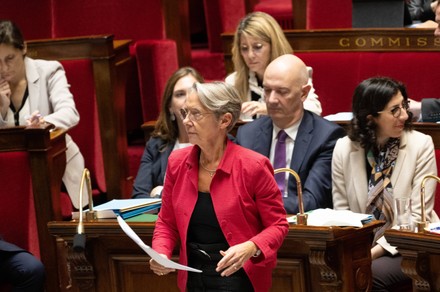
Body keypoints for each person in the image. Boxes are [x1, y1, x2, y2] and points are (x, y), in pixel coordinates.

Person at [149, 82, 289, 292]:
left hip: (239, 277)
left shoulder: (253, 166)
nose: (186, 121)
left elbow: (278, 225)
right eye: (185, 112)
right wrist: (160, 252)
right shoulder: (177, 162)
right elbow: (167, 222)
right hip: (192, 275)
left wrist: (251, 246)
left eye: (196, 114)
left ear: (224, 120)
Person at [332, 76, 439, 291]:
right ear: (371, 118)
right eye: (394, 110)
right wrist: (356, 253)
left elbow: (417, 216)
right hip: (360, 246)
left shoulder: (420, 145)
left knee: (367, 275)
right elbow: (341, 212)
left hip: (410, 245)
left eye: (404, 106)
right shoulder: (344, 148)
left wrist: (369, 255)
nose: (405, 115)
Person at [235, 54, 345, 215]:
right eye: (267, 90)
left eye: (282, 92)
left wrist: (257, 201)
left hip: (303, 233)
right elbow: (235, 193)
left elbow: (311, 201)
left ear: (304, 93)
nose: (271, 100)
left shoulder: (326, 137)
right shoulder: (247, 135)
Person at [0, 20, 87, 208]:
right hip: (13, 177)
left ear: (23, 48)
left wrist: (42, 124)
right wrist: (2, 109)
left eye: (9, 58)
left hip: (57, 168)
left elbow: (70, 113)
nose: (4, 69)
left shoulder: (49, 71)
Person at [225, 11, 322, 120]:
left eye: (257, 47)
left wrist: (270, 109)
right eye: (244, 48)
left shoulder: (294, 74)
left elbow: (314, 111)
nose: (250, 55)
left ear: (273, 46)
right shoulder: (233, 81)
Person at [131, 67, 204, 198]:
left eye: (194, 91)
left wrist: (161, 193)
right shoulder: (156, 145)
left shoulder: (221, 142)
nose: (187, 100)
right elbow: (139, 196)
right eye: (180, 94)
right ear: (170, 107)